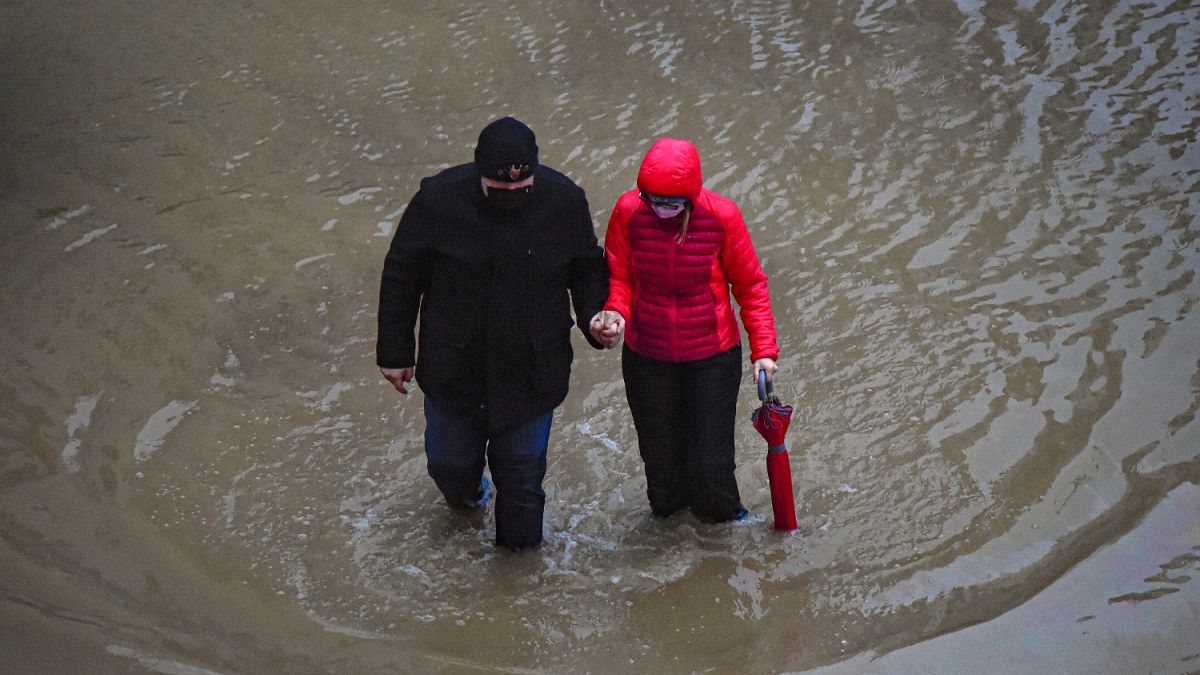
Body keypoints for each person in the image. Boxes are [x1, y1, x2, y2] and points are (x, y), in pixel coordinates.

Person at [377, 117, 612, 550]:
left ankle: (519, 579)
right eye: (499, 190)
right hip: (454, 367)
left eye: (522, 190)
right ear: (479, 174)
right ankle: (471, 501)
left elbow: (587, 269)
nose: (512, 198)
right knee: (449, 466)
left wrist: (597, 316)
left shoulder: (565, 201)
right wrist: (395, 351)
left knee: (522, 478)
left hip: (531, 371)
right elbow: (402, 274)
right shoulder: (437, 201)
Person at [589, 137, 779, 523]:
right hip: (647, 356)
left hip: (712, 359)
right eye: (653, 201)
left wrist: (764, 352)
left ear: (691, 198)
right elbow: (620, 276)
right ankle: (671, 539)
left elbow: (750, 286)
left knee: (711, 467)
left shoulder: (723, 217)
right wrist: (615, 313)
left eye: (671, 203)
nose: (661, 209)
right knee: (660, 468)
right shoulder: (628, 211)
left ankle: (724, 531)